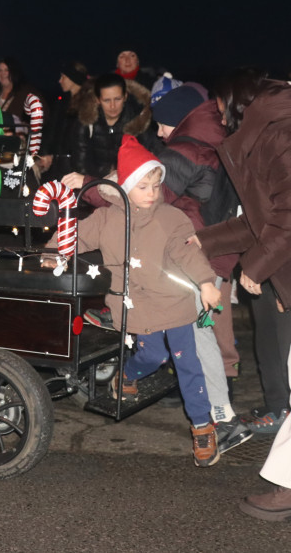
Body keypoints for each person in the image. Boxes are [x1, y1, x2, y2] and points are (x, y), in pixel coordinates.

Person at [51, 135, 223, 466]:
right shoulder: (106, 218)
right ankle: (127, 375)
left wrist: (205, 282)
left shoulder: (171, 218)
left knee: (189, 365)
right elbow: (77, 236)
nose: (151, 194)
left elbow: (186, 251)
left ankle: (202, 425)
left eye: (155, 186)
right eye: (143, 186)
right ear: (125, 186)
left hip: (174, 304)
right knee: (153, 355)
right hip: (135, 306)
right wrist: (51, 248)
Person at [188, 72, 291, 518]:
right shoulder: (264, 135)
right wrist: (203, 242)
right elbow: (258, 220)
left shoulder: (278, 135)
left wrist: (257, 266)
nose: (219, 113)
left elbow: (287, 214)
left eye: (221, 105)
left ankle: (286, 489)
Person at [148, 84, 252, 453]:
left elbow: (147, 196)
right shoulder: (218, 139)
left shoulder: (185, 149)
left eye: (163, 124)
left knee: (198, 337)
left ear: (179, 121)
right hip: (215, 258)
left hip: (193, 261)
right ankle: (224, 416)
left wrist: (93, 190)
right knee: (203, 333)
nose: (160, 132)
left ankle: (221, 419)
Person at [70, 72, 154, 179]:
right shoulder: (86, 122)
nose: (112, 106)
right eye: (107, 100)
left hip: (129, 184)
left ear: (125, 96)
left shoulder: (139, 121)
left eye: (117, 99)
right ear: (98, 100)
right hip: (93, 184)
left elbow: (146, 160)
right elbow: (79, 163)